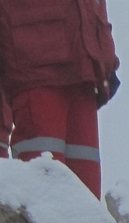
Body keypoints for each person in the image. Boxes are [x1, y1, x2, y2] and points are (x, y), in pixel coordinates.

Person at [0, 0, 120, 198]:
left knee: (84, 193)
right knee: (44, 187)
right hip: (36, 69)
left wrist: (105, 59)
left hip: (84, 71)